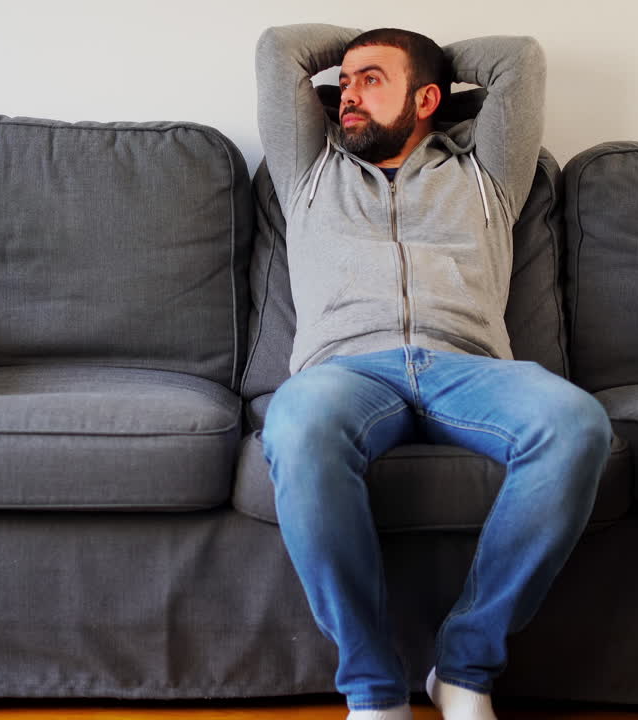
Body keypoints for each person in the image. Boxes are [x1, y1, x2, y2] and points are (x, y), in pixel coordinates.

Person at [255, 24, 613, 720]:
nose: (346, 94)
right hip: (346, 372)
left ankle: (465, 668)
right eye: (343, 81)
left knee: (576, 424)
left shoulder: (486, 176)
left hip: (467, 369)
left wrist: (432, 60)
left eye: (371, 80)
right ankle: (372, 691)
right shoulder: (309, 171)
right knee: (295, 426)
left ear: (427, 100)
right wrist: (369, 53)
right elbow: (279, 50)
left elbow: (518, 60)